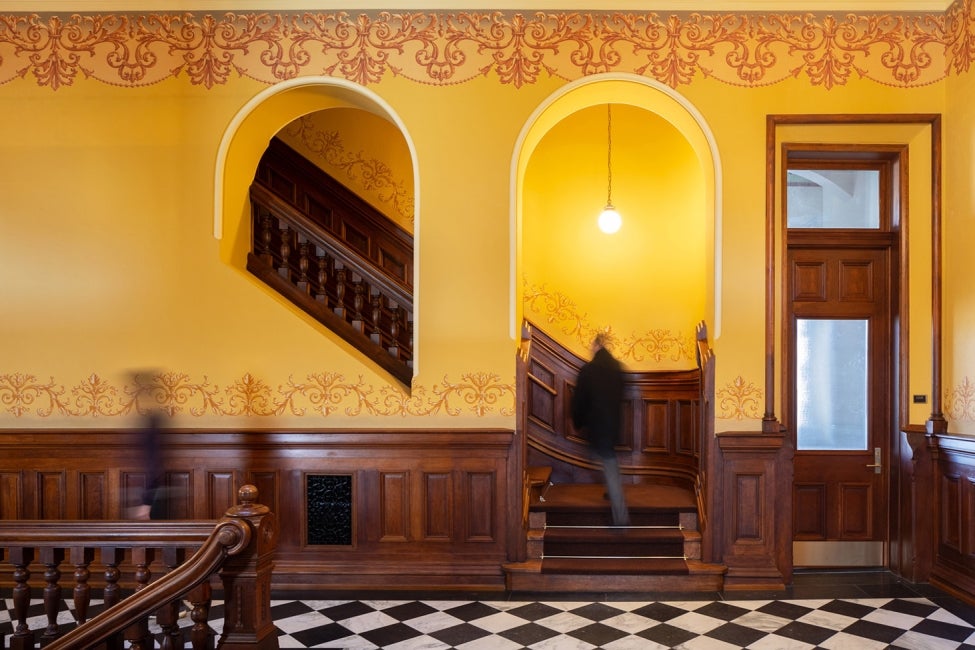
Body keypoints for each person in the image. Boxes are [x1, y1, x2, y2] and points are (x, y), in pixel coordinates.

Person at [571, 332, 630, 527]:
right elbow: (621, 396)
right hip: (613, 426)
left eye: (592, 346)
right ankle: (611, 493)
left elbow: (579, 399)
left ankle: (621, 517)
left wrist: (578, 421)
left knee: (608, 464)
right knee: (607, 461)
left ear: (597, 346)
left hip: (597, 426)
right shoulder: (618, 369)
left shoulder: (589, 370)